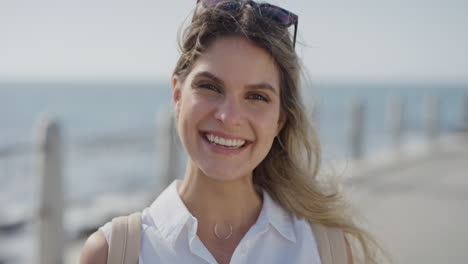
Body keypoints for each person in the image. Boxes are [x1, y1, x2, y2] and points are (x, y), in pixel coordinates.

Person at [80, 0, 386, 263]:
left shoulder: (326, 250)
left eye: (257, 96)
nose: (228, 117)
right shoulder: (114, 254)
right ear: (177, 94)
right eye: (210, 87)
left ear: (280, 119)